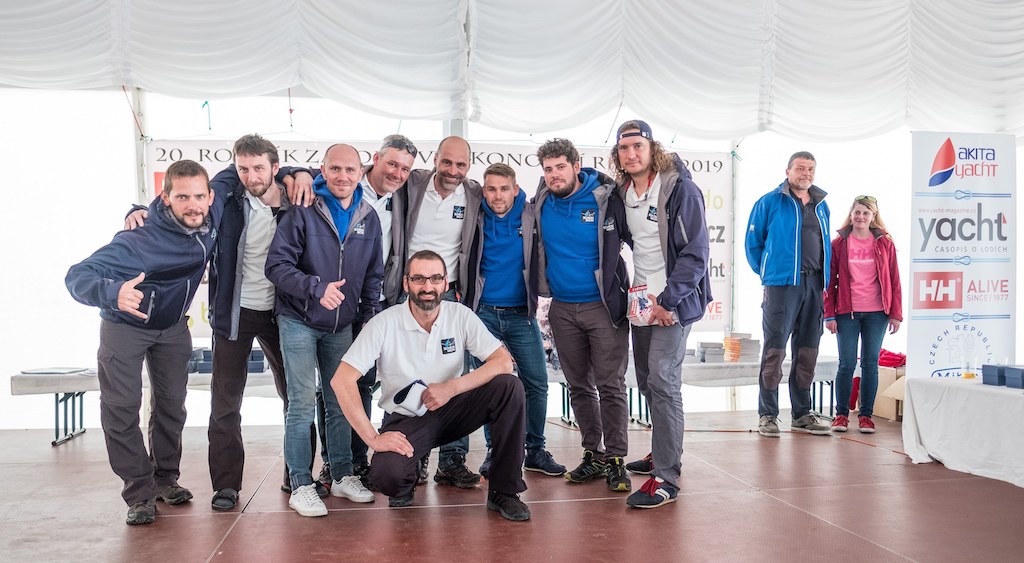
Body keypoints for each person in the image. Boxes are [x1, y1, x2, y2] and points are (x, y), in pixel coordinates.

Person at [65, 160, 222, 525]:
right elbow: (77, 276)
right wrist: (112, 292)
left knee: (172, 407)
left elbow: (244, 172)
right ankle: (139, 492)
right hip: (125, 327)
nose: (193, 205)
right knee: (121, 409)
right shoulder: (136, 240)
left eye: (199, 196)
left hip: (172, 328)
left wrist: (295, 174)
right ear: (165, 198)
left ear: (210, 197)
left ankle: (165, 479)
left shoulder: (209, 222)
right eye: (182, 197)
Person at [331, 250, 531, 521]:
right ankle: (410, 472)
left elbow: (503, 362)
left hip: (454, 408)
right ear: (406, 283)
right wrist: (373, 438)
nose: (428, 287)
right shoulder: (383, 323)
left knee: (510, 387)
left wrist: (451, 388)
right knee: (388, 476)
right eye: (419, 279)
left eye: (436, 278)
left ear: (445, 283)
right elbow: (341, 379)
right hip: (407, 418)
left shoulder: (459, 315)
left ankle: (503, 491)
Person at [265, 143, 383, 517]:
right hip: (298, 320)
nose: (343, 176)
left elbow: (373, 276)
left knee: (340, 402)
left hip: (342, 326)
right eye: (335, 169)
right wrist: (316, 288)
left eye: (350, 170)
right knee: (301, 404)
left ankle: (343, 475)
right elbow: (276, 266)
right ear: (323, 169)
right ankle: (301, 483)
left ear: (361, 173)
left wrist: (369, 318)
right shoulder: (302, 210)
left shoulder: (369, 217)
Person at [609, 120, 712, 508]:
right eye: (624, 148)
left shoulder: (680, 189)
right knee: (648, 380)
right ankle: (662, 451)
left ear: (653, 149)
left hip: (673, 302)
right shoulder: (622, 192)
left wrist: (669, 302)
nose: (631, 154)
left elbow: (696, 254)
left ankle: (666, 477)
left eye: (638, 146)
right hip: (641, 301)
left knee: (664, 382)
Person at [533, 138, 633, 492]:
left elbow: (639, 239)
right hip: (562, 308)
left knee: (611, 385)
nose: (554, 175)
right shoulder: (542, 201)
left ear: (576, 166)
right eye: (548, 169)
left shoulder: (606, 197)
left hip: (603, 307)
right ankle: (594, 453)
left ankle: (617, 458)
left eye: (560, 167)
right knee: (578, 386)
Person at [463, 163, 567, 478]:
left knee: (536, 382)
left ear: (515, 189)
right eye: (491, 189)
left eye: (504, 188)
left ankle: (535, 449)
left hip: (522, 313)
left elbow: (563, 184)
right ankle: (495, 451)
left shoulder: (531, 213)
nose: (497, 196)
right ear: (483, 191)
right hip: (483, 314)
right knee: (490, 383)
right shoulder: (474, 215)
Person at [401, 136, 484, 488]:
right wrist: (294, 174)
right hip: (407, 292)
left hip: (448, 295)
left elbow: (516, 193)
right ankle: (415, 454)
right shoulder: (411, 183)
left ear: (469, 166)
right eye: (447, 162)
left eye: (460, 165)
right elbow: (367, 172)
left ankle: (452, 460)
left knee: (453, 375)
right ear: (435, 159)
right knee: (408, 374)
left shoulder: (475, 194)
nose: (453, 171)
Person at [744, 151, 832, 437]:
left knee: (807, 352)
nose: (806, 173)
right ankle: (768, 415)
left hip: (814, 285)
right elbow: (753, 244)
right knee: (775, 352)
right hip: (781, 287)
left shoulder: (821, 205)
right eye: (801, 168)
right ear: (788, 171)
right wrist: (770, 274)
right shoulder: (769, 202)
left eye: (810, 169)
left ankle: (802, 414)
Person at [824, 195, 903, 434]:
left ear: (873, 216)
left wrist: (896, 313)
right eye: (857, 212)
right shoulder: (839, 243)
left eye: (865, 213)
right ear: (851, 215)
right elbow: (829, 282)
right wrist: (829, 315)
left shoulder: (885, 243)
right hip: (846, 313)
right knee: (846, 364)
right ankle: (841, 415)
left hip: (877, 313)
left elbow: (894, 279)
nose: (860, 217)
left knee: (870, 365)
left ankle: (866, 416)